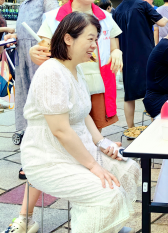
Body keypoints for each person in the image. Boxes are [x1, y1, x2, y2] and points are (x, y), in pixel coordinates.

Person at [16, 12, 140, 233]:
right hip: (48, 157)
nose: (94, 45)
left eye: (96, 39)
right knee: (106, 191)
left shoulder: (76, 69)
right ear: (68, 38)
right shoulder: (52, 72)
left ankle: (104, 226)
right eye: (90, 39)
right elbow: (61, 130)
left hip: (79, 150)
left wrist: (102, 143)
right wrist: (93, 165)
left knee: (128, 168)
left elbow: (83, 115)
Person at [32, 0, 123, 132]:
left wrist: (117, 51)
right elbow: (43, 50)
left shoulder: (106, 18)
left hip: (97, 81)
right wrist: (34, 53)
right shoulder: (53, 18)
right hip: (66, 82)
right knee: (70, 129)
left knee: (95, 130)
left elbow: (113, 47)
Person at [6, 0, 59, 180]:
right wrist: (14, 36)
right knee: (27, 104)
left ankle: (45, 156)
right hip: (23, 60)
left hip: (41, 60)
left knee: (42, 106)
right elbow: (25, 30)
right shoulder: (26, 3)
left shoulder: (48, 0)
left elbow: (56, 32)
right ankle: (30, 154)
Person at [113, 0, 167, 129]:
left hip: (127, 57)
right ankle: (153, 125)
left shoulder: (117, 11)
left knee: (129, 95)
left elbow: (115, 37)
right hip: (147, 56)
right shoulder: (143, 5)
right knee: (151, 92)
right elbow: (162, 22)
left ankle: (130, 128)